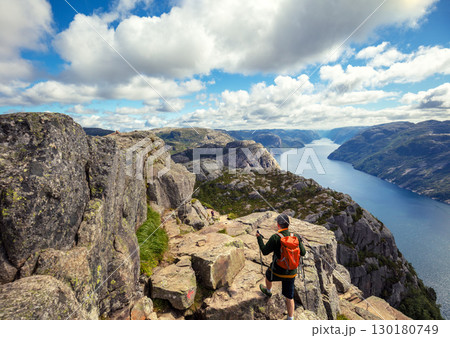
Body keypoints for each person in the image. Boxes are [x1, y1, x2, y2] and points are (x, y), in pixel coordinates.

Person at [256, 213, 306, 320]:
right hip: (291, 273)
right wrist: (300, 242)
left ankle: (268, 291)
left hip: (277, 271)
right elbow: (303, 252)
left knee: (268, 274)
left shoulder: (275, 237)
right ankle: (290, 318)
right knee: (289, 296)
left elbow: (264, 251)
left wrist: (259, 238)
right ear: (288, 224)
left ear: (278, 225)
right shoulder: (295, 237)